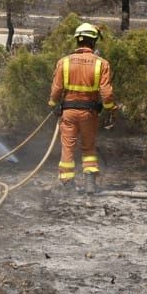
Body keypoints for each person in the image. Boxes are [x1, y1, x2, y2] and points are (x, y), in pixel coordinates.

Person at [48, 22, 115, 189]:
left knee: (67, 146)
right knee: (88, 147)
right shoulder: (102, 64)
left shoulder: (64, 62)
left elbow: (56, 88)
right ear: (93, 42)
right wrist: (110, 109)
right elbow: (106, 92)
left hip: (68, 113)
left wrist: (53, 104)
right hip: (89, 113)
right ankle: (90, 183)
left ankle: (67, 183)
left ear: (77, 41)